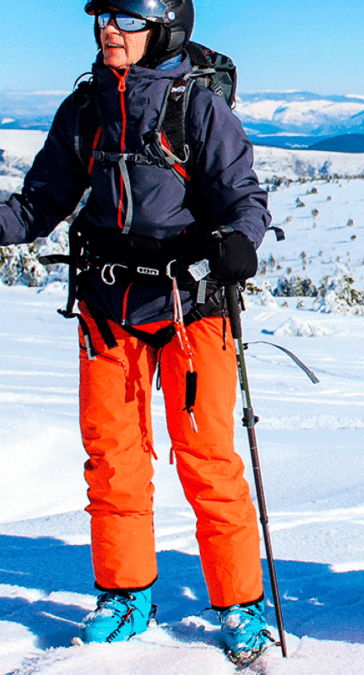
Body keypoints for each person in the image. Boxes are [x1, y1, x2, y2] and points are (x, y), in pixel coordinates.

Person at [0, 0, 276, 663]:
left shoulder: (199, 109)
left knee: (208, 460)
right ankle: (125, 596)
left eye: (125, 19)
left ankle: (239, 603)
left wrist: (241, 240)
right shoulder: (87, 109)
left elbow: (245, 196)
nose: (108, 30)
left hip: (191, 308)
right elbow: (41, 201)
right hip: (108, 306)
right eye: (103, 17)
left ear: (163, 27)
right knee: (113, 457)